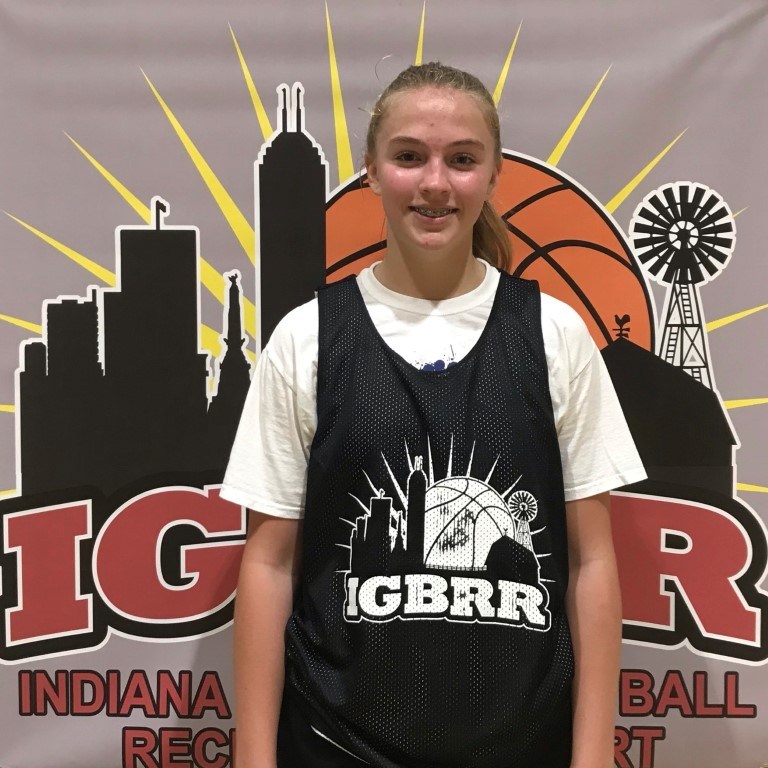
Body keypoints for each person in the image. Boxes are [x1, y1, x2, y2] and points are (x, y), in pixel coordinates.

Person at [221, 61, 646, 768]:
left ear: (494, 174)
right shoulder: (307, 337)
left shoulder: (554, 333)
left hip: (522, 745)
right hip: (335, 744)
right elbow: (269, 564)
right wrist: (254, 758)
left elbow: (591, 560)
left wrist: (594, 754)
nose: (436, 183)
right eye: (410, 156)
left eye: (463, 160)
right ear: (371, 170)